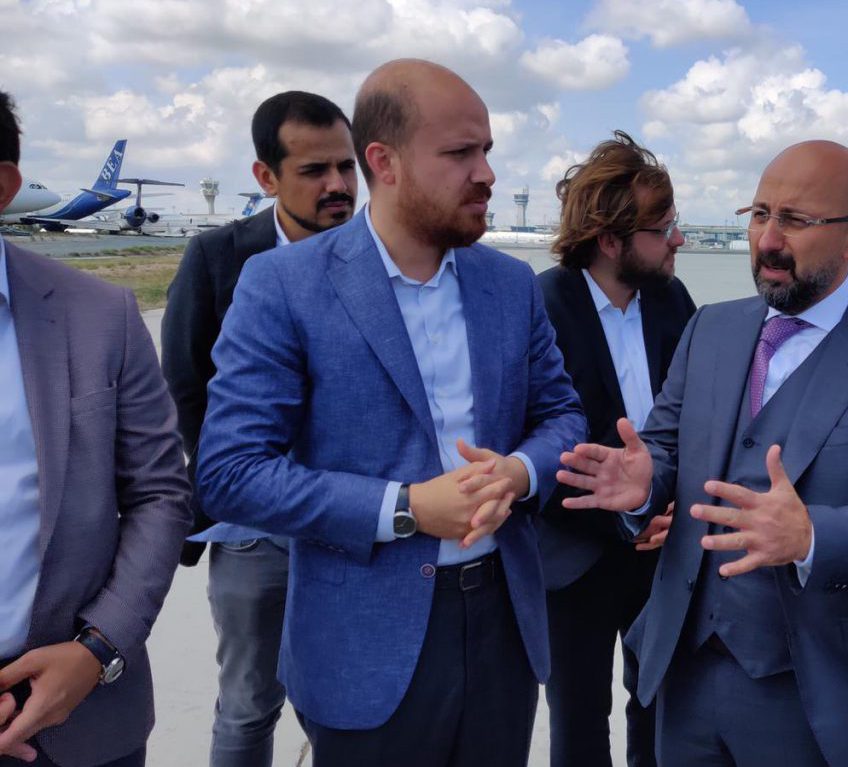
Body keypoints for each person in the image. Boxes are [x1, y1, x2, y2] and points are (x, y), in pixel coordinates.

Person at [194, 59, 585, 767]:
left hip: (503, 624)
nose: (487, 173)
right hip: (362, 640)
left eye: (487, 150)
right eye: (460, 153)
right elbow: (231, 472)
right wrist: (406, 509)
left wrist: (520, 472)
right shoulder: (285, 284)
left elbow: (561, 414)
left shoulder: (510, 284)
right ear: (385, 162)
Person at [557, 140, 848, 766]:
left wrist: (811, 537)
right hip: (681, 676)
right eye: (760, 214)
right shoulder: (710, 327)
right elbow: (664, 446)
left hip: (816, 694)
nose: (768, 240)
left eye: (795, 220)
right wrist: (644, 485)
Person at [160, 90, 357, 767]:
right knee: (247, 703)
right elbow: (184, 382)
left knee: (353, 701)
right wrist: (237, 483)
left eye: (346, 166)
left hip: (356, 519)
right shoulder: (218, 256)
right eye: (314, 170)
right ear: (266, 177)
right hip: (254, 531)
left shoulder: (379, 257)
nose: (338, 185)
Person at [0, 90, 192, 766]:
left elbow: (160, 494)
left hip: (77, 714)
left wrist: (98, 650)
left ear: (3, 187)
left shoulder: (101, 316)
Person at [536, 130, 695, 767]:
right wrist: (628, 514)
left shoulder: (672, 299)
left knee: (662, 706)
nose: (678, 240)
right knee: (577, 721)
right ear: (609, 240)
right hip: (573, 554)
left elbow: (695, 418)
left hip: (664, 549)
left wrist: (669, 504)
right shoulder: (540, 307)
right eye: (663, 229)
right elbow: (537, 446)